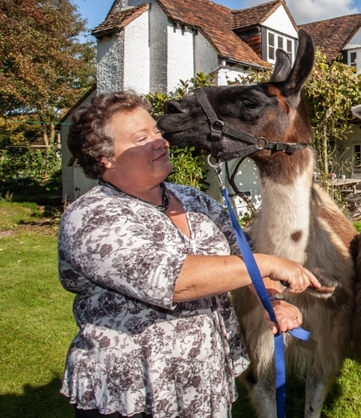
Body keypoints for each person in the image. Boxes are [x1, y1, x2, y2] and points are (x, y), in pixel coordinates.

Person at [58, 91, 323, 418]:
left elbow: (241, 251)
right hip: (131, 393)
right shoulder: (90, 217)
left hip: (205, 386)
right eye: (142, 138)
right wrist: (267, 263)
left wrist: (270, 299)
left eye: (157, 131)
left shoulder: (193, 199)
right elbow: (173, 279)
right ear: (105, 158)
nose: (161, 141)